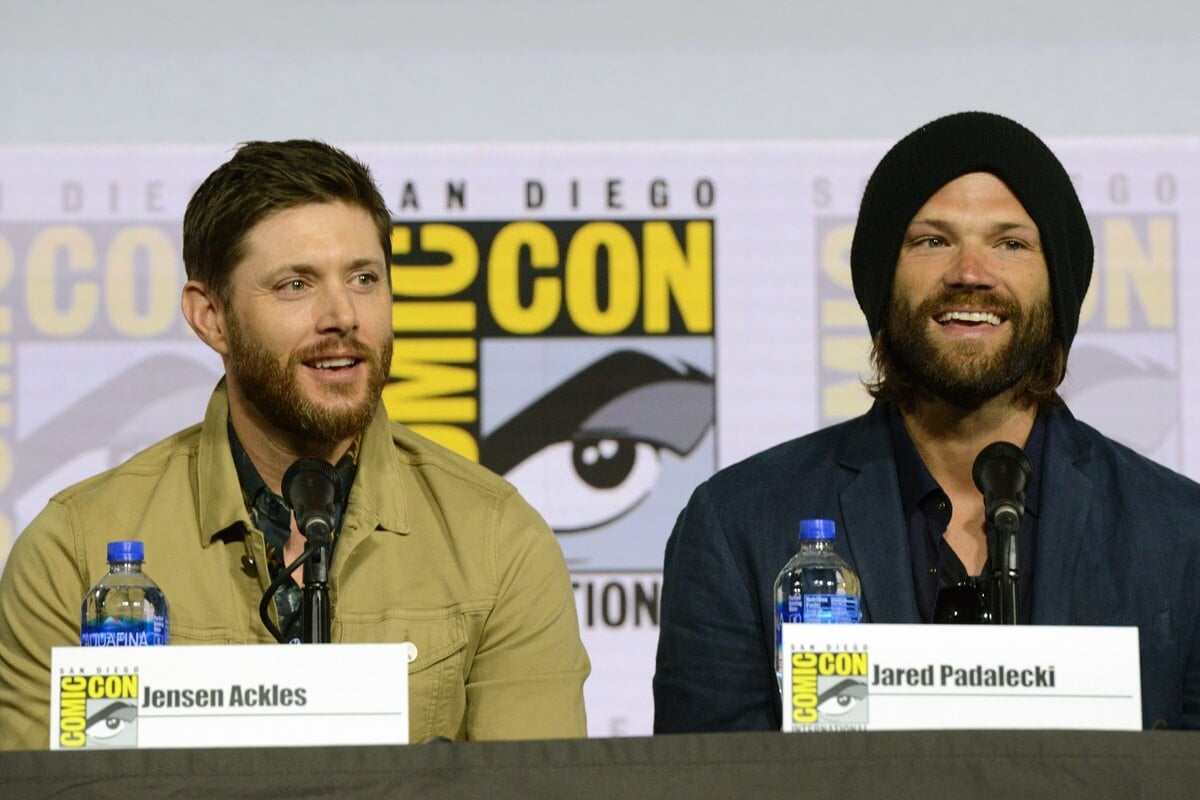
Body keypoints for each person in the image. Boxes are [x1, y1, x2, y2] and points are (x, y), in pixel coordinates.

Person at [0, 140, 589, 749]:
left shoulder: (497, 540)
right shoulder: (75, 550)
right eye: (295, 285)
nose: (342, 315)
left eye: (364, 278)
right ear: (211, 317)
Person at [653, 111, 1200, 732]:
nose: (970, 272)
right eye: (932, 241)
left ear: (1061, 287)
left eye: (1011, 243)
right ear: (881, 283)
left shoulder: (1181, 535)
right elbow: (706, 781)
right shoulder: (740, 524)